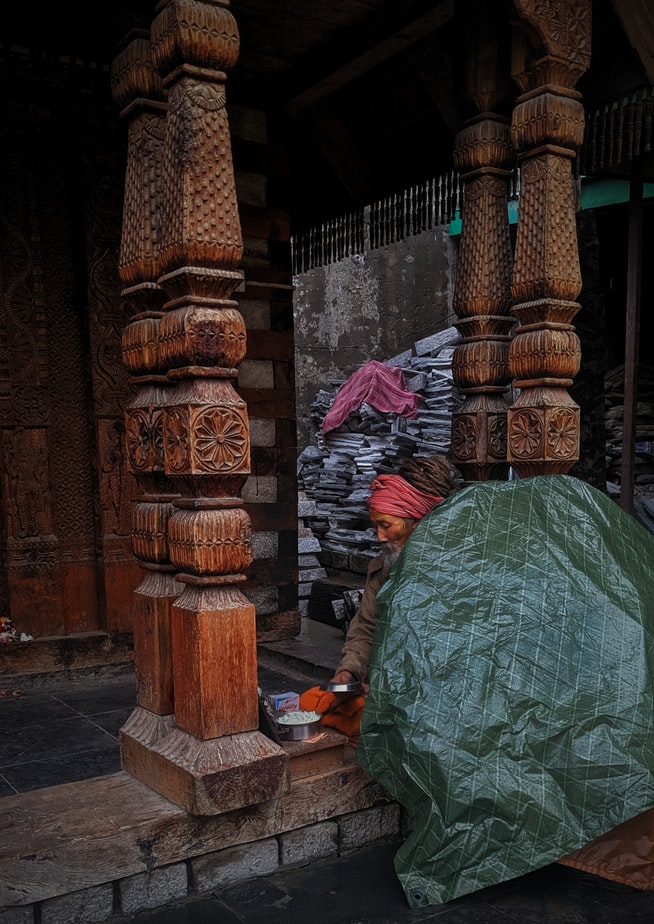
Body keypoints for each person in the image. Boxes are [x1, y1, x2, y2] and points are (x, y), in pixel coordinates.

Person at [330, 453, 461, 690]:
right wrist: (349, 671)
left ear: (419, 523)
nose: (380, 537)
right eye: (376, 526)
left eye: (386, 525)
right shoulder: (382, 569)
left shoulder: (460, 569)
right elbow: (367, 627)